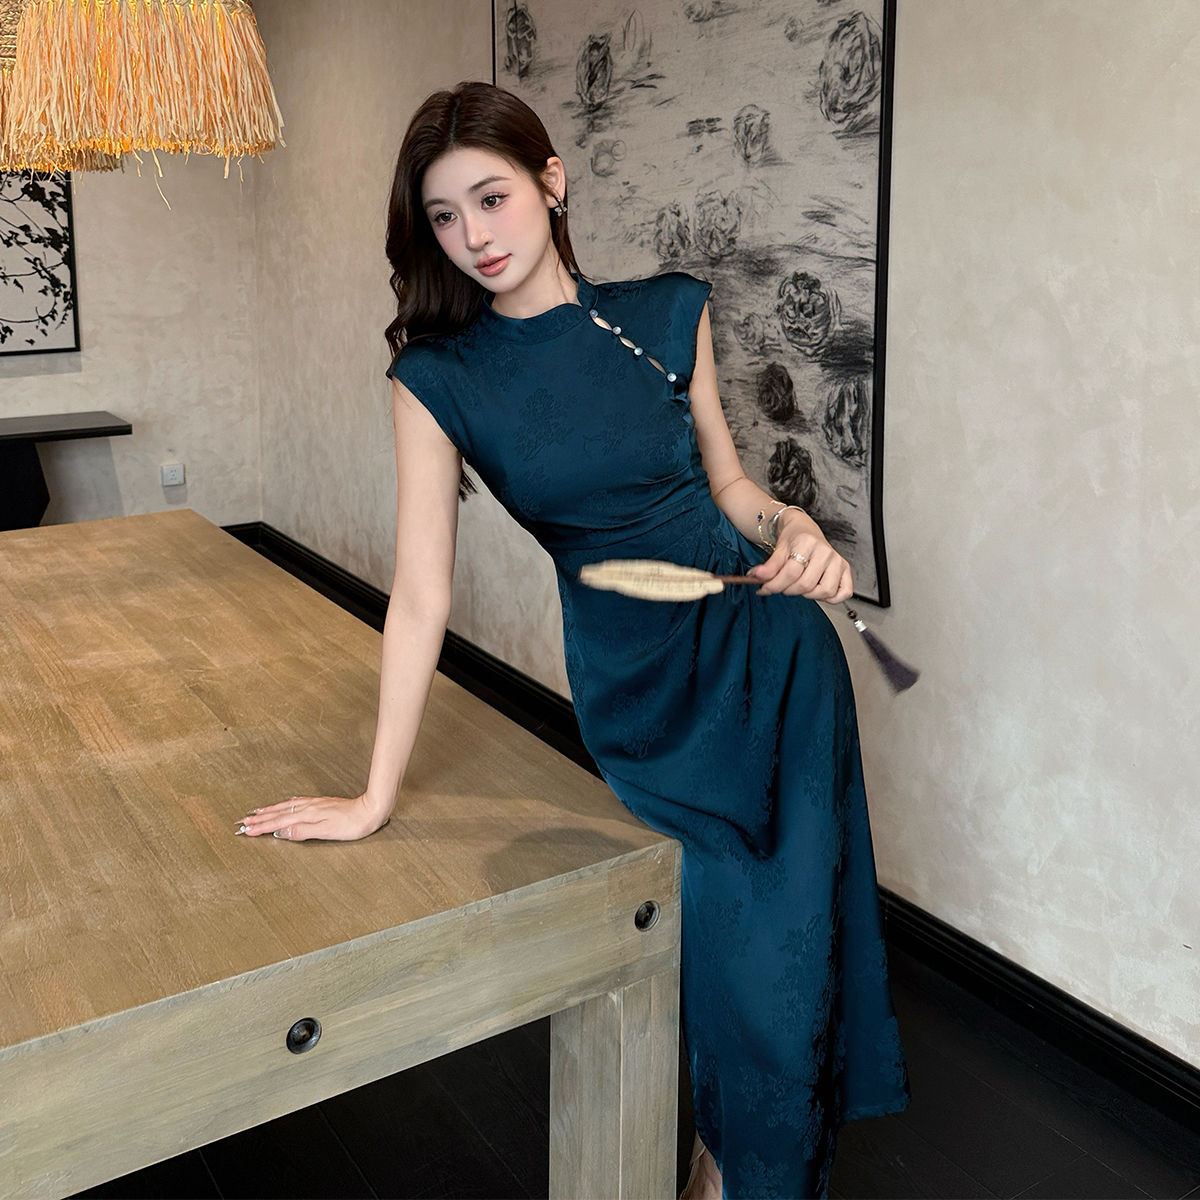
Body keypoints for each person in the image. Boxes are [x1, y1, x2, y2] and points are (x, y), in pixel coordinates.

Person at [237, 80, 911, 1199]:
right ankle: (733, 1143)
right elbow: (420, 593)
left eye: (491, 198)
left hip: (774, 657)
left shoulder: (668, 313)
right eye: (444, 216)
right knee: (728, 927)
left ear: (550, 183)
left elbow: (731, 488)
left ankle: (739, 1168)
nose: (473, 235)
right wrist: (372, 795)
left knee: (786, 943)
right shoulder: (437, 379)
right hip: (640, 686)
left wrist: (797, 528)